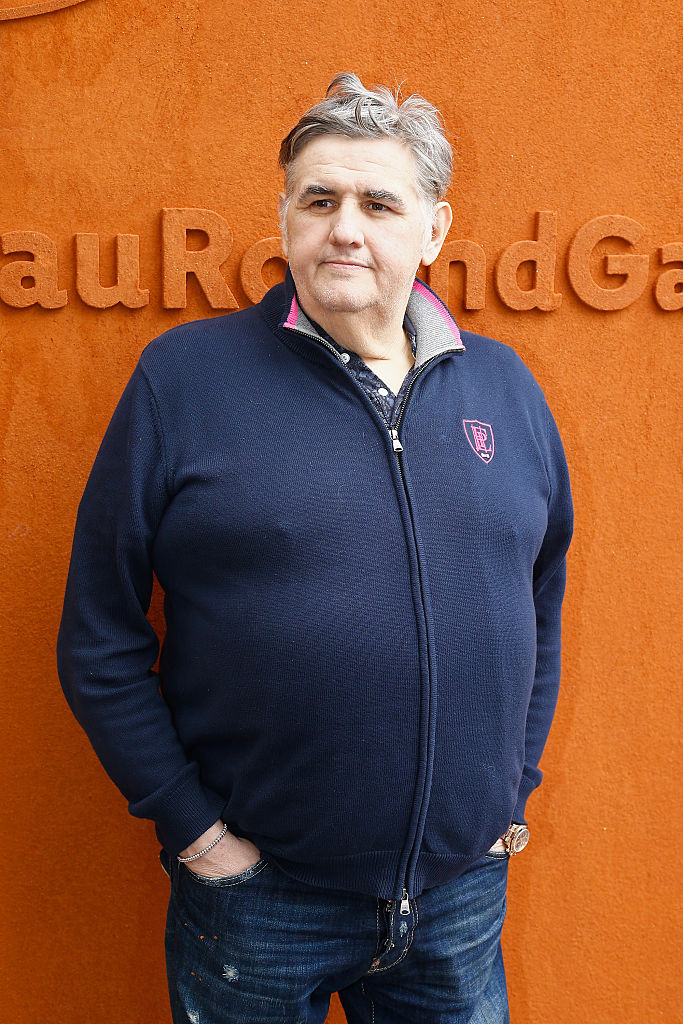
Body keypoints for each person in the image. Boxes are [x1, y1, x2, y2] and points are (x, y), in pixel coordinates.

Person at [57, 73, 573, 1024]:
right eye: (319, 199)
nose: (346, 228)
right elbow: (98, 633)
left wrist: (510, 794)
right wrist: (196, 832)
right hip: (258, 900)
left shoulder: (505, 389)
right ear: (284, 214)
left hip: (458, 897)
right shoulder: (186, 379)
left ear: (433, 230)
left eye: (380, 203)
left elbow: (538, 603)